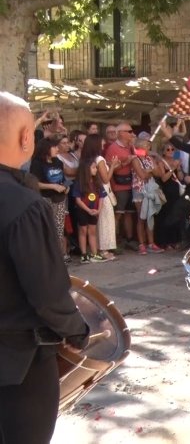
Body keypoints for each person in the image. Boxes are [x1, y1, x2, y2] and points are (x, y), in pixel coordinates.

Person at [0, 91, 89, 443]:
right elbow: (47, 294)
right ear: (26, 139)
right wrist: (78, 331)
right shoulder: (24, 205)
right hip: (18, 365)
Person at [30, 136, 70, 262]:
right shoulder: (37, 163)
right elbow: (35, 183)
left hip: (60, 198)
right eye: (54, 147)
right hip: (45, 198)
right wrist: (52, 186)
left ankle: (58, 256)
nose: (57, 149)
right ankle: (46, 257)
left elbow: (62, 178)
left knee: (59, 228)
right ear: (46, 149)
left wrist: (65, 186)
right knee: (46, 227)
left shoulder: (57, 161)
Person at [71, 158, 108, 263]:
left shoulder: (97, 182)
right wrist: (88, 210)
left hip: (94, 210)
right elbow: (78, 200)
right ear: (86, 170)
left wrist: (99, 209)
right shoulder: (79, 183)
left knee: (92, 231)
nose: (96, 169)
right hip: (83, 210)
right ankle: (84, 254)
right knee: (83, 231)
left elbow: (101, 197)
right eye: (93, 167)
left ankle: (94, 254)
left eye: (96, 167)